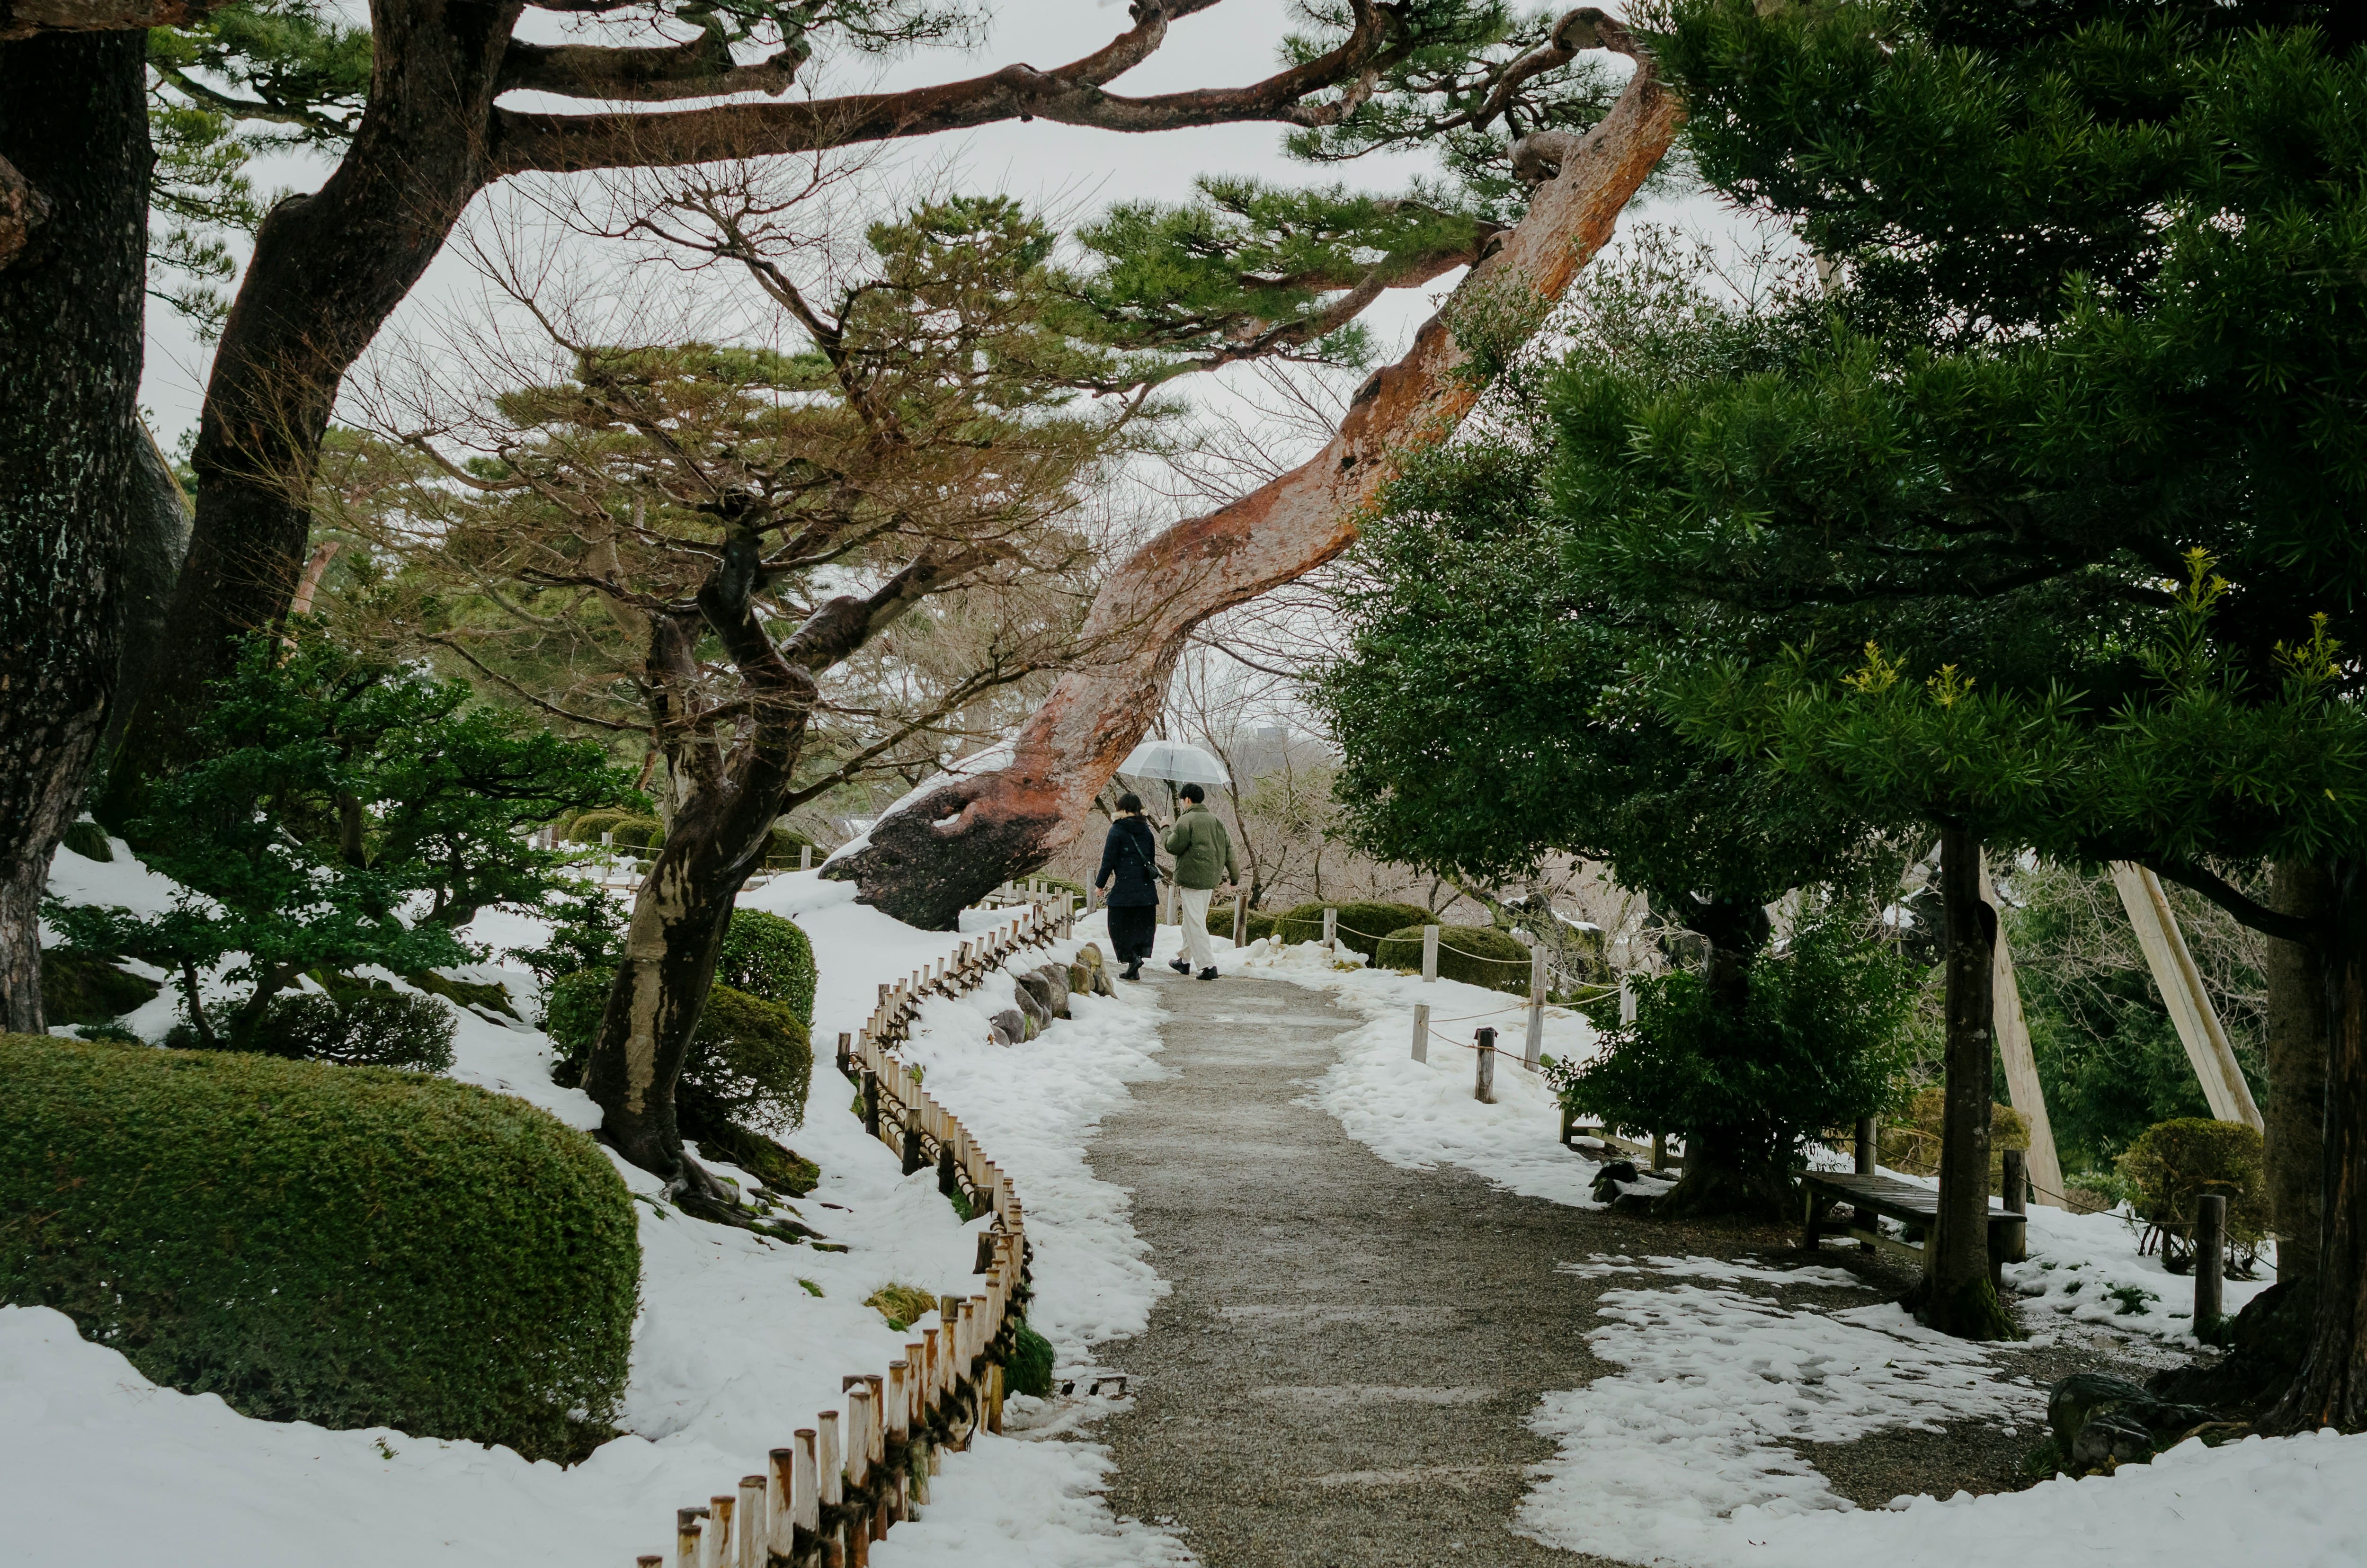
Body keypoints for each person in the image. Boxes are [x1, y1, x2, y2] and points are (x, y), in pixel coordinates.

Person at [1162, 781, 1237, 980]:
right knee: (1192, 921)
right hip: (1210, 880)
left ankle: (1208, 966)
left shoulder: (1187, 820)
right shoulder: (1217, 821)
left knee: (1195, 924)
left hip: (1192, 880)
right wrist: (1234, 877)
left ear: (1187, 800)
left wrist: (1165, 828)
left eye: (1182, 800)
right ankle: (1184, 961)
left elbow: (1172, 846)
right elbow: (1230, 850)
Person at [1094, 793, 1160, 981]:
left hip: (1124, 890)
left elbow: (1108, 861)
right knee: (1140, 928)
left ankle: (1132, 958)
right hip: (1146, 892)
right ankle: (1135, 964)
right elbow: (1152, 860)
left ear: (1121, 808)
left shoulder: (1117, 830)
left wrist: (1100, 885)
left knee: (1117, 926)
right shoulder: (1147, 831)